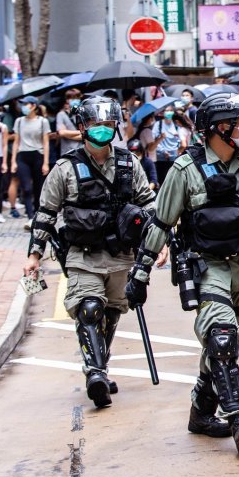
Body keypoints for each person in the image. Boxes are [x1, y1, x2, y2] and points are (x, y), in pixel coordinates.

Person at [126, 92, 239, 454]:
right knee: (222, 338)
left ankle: (200, 408)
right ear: (220, 129)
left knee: (225, 345)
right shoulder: (185, 169)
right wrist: (140, 273)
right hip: (206, 266)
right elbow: (161, 223)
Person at [23, 96, 156, 408]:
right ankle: (95, 372)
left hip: (122, 255)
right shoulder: (65, 169)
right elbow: (45, 213)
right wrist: (34, 254)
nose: (103, 130)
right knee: (90, 308)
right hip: (82, 255)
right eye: (96, 125)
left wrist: (158, 242)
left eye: (108, 125)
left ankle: (100, 365)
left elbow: (149, 206)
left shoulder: (128, 163)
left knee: (110, 312)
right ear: (82, 127)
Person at [11, 95, 51, 228]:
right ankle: (30, 216)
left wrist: (46, 162)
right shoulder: (19, 121)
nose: (23, 106)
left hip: (38, 155)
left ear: (33, 106)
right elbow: (16, 141)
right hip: (23, 156)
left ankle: (37, 214)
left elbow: (46, 142)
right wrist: (13, 161)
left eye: (26, 104)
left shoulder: (42, 121)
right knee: (26, 188)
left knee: (38, 189)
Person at [152, 105, 182, 185]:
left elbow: (181, 140)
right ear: (163, 112)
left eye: (170, 110)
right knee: (162, 180)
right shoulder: (158, 124)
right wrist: (163, 151)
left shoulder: (176, 125)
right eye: (166, 110)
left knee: (174, 181)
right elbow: (154, 140)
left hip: (174, 157)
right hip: (161, 157)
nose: (169, 112)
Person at [56, 89, 84, 156]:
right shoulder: (61, 114)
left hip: (83, 151)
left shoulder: (83, 114)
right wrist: (82, 133)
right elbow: (62, 133)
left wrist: (67, 134)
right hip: (67, 152)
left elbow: (88, 134)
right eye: (72, 98)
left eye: (77, 98)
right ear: (67, 100)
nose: (75, 100)